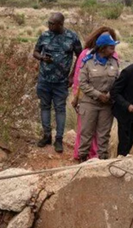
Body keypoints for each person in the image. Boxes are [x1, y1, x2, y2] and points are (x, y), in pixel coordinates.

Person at [33, 12, 82, 152]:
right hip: (44, 79)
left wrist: (73, 76)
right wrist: (42, 58)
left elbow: (80, 57)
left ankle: (59, 139)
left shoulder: (72, 37)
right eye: (48, 23)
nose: (49, 25)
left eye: (51, 23)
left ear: (60, 24)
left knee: (60, 109)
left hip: (62, 81)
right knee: (44, 107)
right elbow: (35, 52)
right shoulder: (44, 35)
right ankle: (47, 135)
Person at [71, 26, 118, 160]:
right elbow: (82, 83)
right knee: (86, 133)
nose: (114, 50)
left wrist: (110, 95)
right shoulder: (87, 61)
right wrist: (98, 95)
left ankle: (102, 161)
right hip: (89, 103)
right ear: (103, 48)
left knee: (104, 135)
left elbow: (118, 82)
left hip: (107, 104)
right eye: (111, 47)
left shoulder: (114, 62)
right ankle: (82, 160)